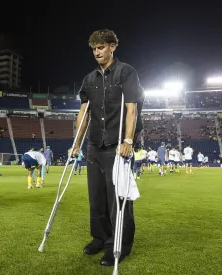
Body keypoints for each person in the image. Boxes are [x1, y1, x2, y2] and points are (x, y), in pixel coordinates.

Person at [72, 29, 144, 266]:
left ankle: (119, 245)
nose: (97, 52)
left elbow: (132, 108)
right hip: (94, 145)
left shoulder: (126, 73)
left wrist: (128, 141)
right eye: (94, 48)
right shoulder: (89, 79)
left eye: (101, 47)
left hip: (117, 146)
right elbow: (84, 112)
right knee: (97, 197)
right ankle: (100, 238)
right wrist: (76, 143)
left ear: (113, 46)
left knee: (118, 198)